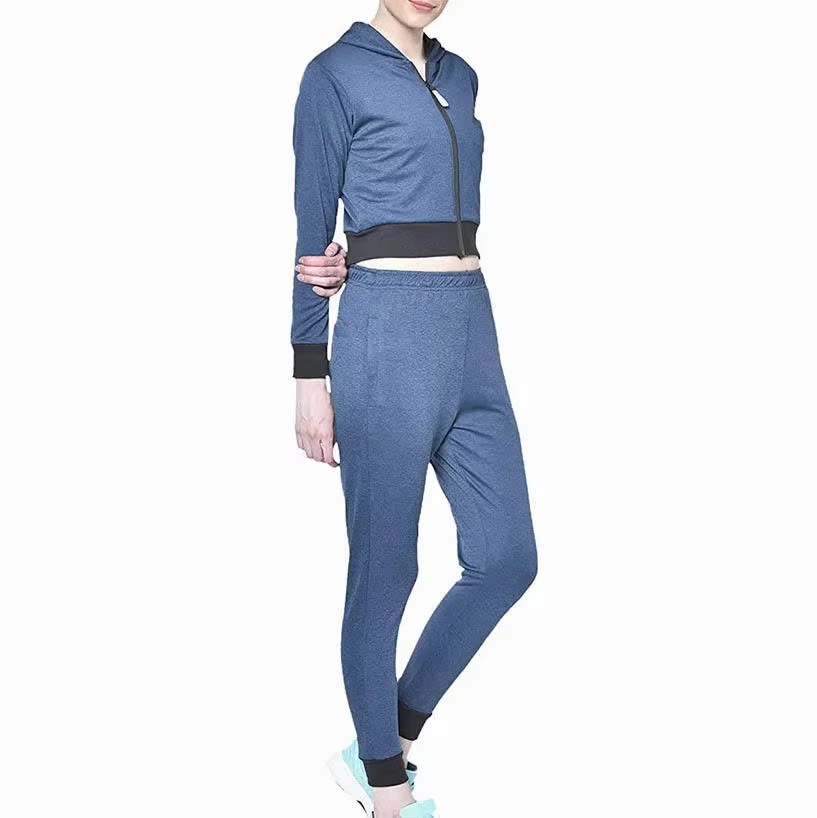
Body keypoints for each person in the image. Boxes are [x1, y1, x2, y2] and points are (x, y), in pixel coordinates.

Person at [290, 2, 538, 816]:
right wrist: (310, 375)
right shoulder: (333, 75)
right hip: (385, 333)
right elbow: (310, 237)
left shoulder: (459, 75)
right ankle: (389, 793)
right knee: (386, 567)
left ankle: (380, 744)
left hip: (472, 327)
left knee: (506, 559)